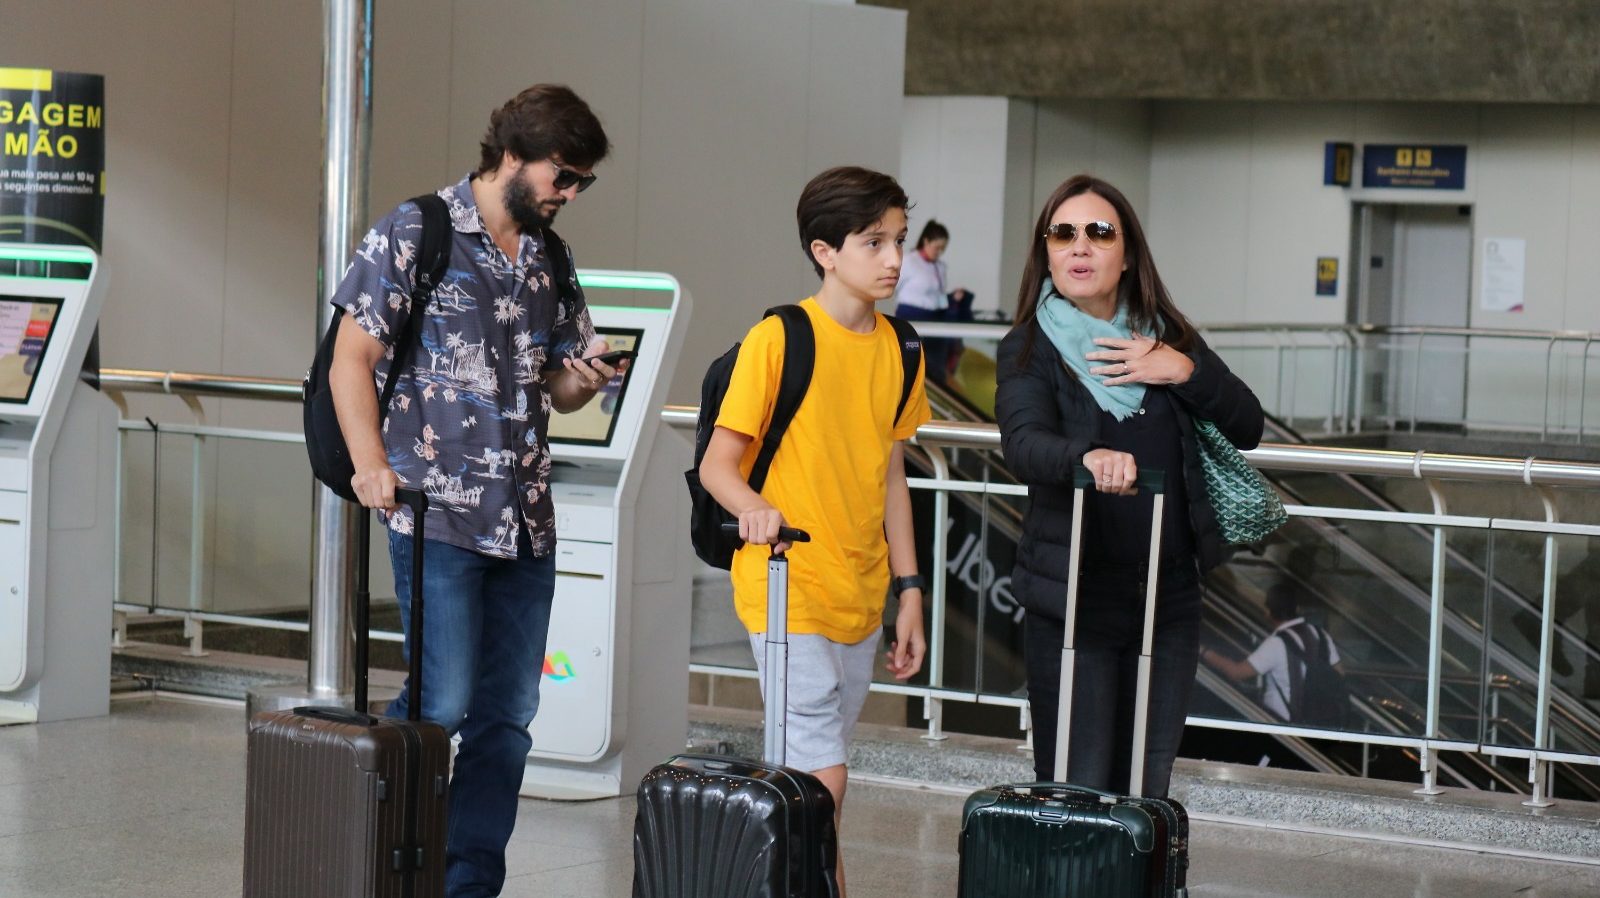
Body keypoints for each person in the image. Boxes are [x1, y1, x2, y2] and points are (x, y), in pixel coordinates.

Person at [328, 84, 617, 898]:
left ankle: (465, 884)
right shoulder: (416, 229)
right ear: (513, 156)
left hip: (526, 520)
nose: (569, 195)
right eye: (564, 176)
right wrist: (369, 463)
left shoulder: (548, 256)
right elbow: (352, 358)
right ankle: (369, 835)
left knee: (507, 723)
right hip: (435, 510)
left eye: (581, 183)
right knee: (442, 702)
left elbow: (557, 389)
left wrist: (584, 380)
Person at [698, 166, 931, 895]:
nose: (894, 258)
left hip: (859, 592)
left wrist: (911, 588)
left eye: (899, 240)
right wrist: (753, 508)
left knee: (813, 769)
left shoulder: (902, 348)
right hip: (786, 583)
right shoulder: (780, 338)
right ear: (825, 251)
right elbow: (718, 465)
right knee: (822, 769)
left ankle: (782, 882)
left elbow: (891, 474)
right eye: (874, 242)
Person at [994, 174, 1265, 796]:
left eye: (1099, 232)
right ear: (1046, 252)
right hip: (1075, 599)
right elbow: (1024, 443)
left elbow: (1247, 424)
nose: (1079, 247)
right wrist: (1089, 457)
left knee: (1146, 787)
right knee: (1077, 786)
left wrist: (1184, 370)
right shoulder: (1029, 348)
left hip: (1167, 601)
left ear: (1128, 254)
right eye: (1062, 234)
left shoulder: (1165, 335)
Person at [1202, 583, 1347, 723]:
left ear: (1268, 612)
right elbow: (1338, 673)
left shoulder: (1276, 644)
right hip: (1321, 719)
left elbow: (1237, 672)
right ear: (1297, 608)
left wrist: (1203, 652)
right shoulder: (1320, 634)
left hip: (1282, 722)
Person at [892, 219, 969, 386]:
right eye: (937, 247)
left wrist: (952, 298)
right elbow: (894, 287)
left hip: (935, 318)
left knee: (936, 365)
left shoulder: (940, 266)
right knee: (910, 360)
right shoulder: (909, 261)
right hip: (911, 316)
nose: (939, 252)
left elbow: (938, 296)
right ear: (926, 241)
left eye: (943, 248)